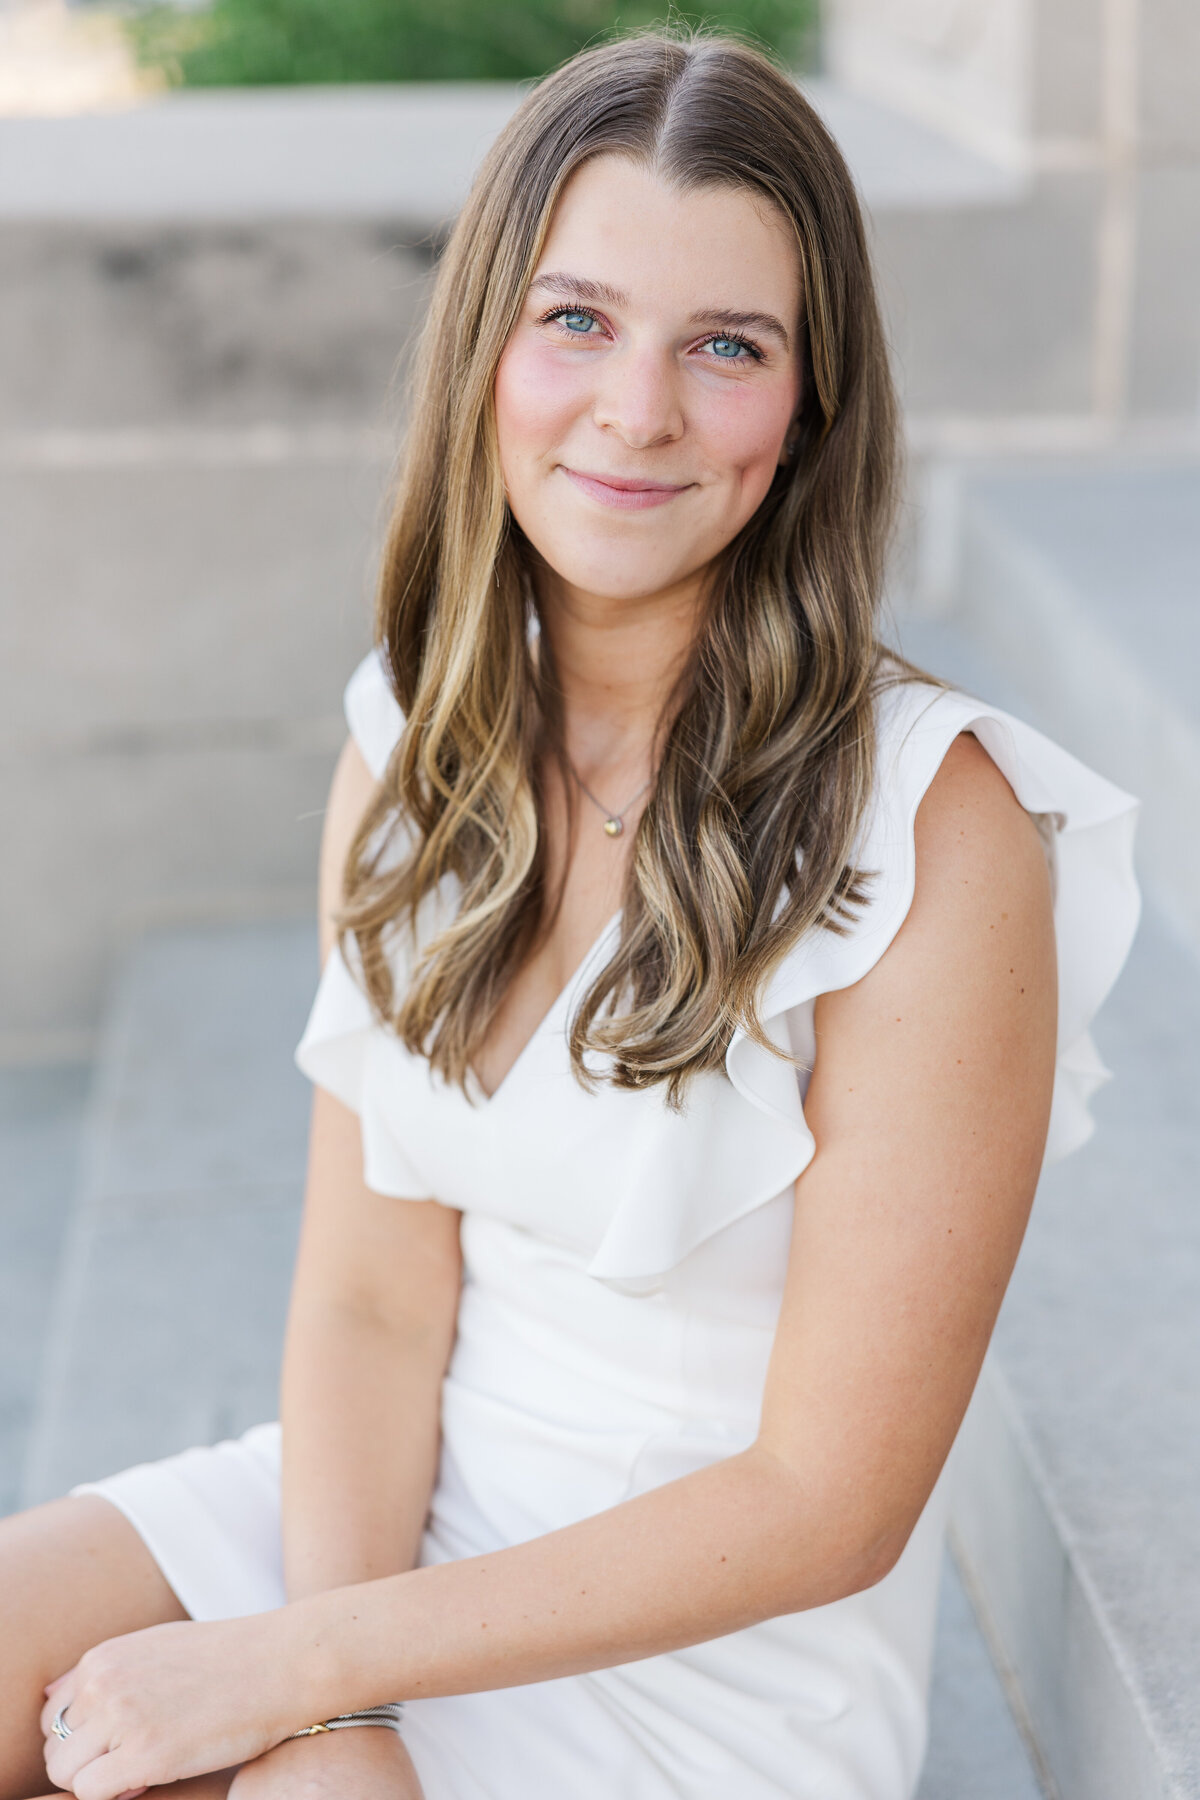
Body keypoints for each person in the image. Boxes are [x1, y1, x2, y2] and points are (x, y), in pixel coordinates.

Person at [1, 29, 1138, 1800]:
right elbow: (374, 1306)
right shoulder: (419, 741)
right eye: (579, 321)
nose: (639, 411)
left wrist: (305, 1696)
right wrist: (332, 1682)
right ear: (487, 352)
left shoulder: (938, 831)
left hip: (703, 1655)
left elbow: (822, 1504)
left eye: (727, 348)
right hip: (387, 1521)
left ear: (811, 404)